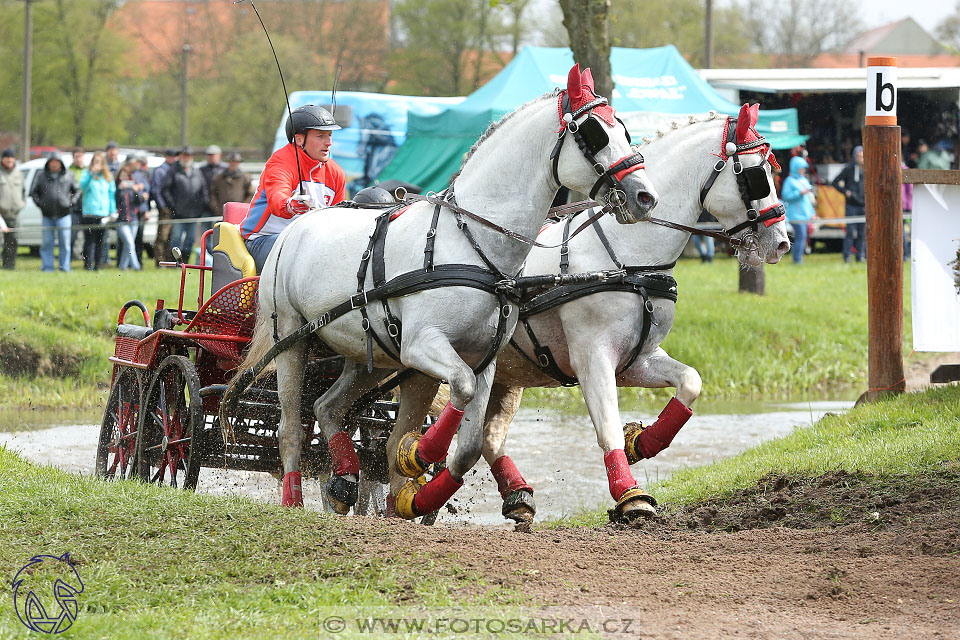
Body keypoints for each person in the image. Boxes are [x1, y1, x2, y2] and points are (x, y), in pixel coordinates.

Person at [240, 104, 345, 272]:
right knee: (305, 251)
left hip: (309, 242)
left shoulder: (336, 173)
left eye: (330, 135)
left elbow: (338, 219)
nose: (328, 142)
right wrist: (290, 205)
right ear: (299, 139)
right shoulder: (280, 162)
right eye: (320, 136)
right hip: (261, 240)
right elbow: (277, 199)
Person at [30, 152, 79, 272]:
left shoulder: (69, 175)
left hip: (64, 215)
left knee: (65, 244)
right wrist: (41, 205)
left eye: (57, 162)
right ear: (49, 163)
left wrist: (70, 203)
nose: (54, 164)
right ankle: (47, 268)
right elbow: (34, 192)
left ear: (61, 163)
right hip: (47, 215)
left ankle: (65, 267)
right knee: (47, 243)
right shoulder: (41, 175)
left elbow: (77, 191)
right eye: (52, 162)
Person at [161, 146, 207, 261]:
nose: (186, 158)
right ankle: (174, 262)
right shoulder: (173, 171)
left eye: (188, 156)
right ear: (180, 156)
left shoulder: (197, 172)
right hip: (178, 213)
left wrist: (200, 207)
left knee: (190, 239)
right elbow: (165, 190)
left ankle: (185, 262)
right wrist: (173, 206)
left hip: (194, 213)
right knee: (176, 238)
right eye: (184, 155)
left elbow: (203, 190)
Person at [79, 151, 116, 270]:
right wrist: (91, 174)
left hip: (103, 214)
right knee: (89, 241)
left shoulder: (108, 177)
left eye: (100, 162)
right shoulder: (87, 173)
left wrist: (112, 211)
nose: (98, 164)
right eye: (96, 162)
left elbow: (111, 195)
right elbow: (82, 187)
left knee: (101, 241)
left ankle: (98, 266)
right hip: (89, 213)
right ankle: (87, 265)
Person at [832, 145, 866, 263]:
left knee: (863, 232)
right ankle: (847, 256)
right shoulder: (849, 168)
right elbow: (835, 182)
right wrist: (845, 191)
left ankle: (861, 255)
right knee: (850, 232)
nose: (861, 158)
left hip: (864, 205)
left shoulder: (868, 168)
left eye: (863, 156)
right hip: (851, 205)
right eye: (859, 156)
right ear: (855, 157)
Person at [781, 156, 817, 264]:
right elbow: (786, 196)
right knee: (801, 236)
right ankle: (797, 259)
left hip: (805, 215)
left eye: (803, 168)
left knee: (803, 237)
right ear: (795, 168)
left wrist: (812, 213)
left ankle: (798, 258)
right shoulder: (789, 181)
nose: (803, 170)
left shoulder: (804, 180)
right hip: (795, 215)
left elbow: (807, 200)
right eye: (801, 168)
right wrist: (799, 193)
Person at [197, 144, 227, 263]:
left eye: (213, 155)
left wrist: (218, 206)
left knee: (221, 234)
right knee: (206, 234)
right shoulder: (201, 170)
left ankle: (220, 257)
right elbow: (202, 189)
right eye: (209, 155)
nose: (211, 158)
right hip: (206, 207)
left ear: (219, 156)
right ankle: (209, 256)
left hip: (221, 208)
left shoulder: (224, 170)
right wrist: (209, 203)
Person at [114, 160, 143, 270]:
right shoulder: (116, 188)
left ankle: (123, 267)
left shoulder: (132, 187)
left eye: (126, 175)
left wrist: (137, 191)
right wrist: (119, 189)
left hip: (133, 219)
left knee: (128, 245)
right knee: (130, 243)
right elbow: (114, 200)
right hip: (121, 220)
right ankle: (137, 266)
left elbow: (139, 201)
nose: (124, 178)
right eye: (122, 175)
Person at [151, 148, 178, 265]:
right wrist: (163, 207)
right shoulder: (160, 171)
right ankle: (159, 260)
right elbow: (156, 190)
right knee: (162, 235)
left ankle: (167, 260)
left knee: (170, 236)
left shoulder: (175, 170)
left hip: (173, 208)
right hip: (165, 209)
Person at [0, 148, 25, 269]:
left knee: (12, 241)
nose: (10, 160)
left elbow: (23, 191)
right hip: (0, 214)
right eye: (7, 157)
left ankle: (9, 266)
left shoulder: (19, 174)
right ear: (2, 159)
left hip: (14, 214)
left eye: (12, 157)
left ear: (15, 159)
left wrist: (22, 203)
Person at [209, 151, 253, 217]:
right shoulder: (219, 178)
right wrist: (216, 208)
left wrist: (243, 208)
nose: (233, 163)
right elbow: (212, 194)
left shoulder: (245, 177)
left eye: (235, 162)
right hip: (222, 213)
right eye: (231, 161)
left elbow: (250, 194)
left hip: (238, 213)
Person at [100, 141, 121, 267]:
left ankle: (119, 261)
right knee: (105, 236)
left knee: (120, 236)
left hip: (120, 205)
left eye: (115, 150)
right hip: (106, 205)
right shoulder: (103, 167)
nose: (113, 153)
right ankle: (105, 259)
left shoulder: (120, 166)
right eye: (111, 150)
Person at [130, 153, 151, 263]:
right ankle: (133, 262)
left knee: (138, 238)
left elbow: (147, 194)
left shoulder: (144, 176)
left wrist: (147, 209)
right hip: (133, 211)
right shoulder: (134, 175)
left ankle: (138, 261)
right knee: (133, 239)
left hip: (141, 210)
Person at [68, 148, 85, 253]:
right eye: (76, 157)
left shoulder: (88, 170)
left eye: (80, 156)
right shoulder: (68, 171)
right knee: (72, 234)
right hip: (74, 206)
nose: (79, 159)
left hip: (86, 205)